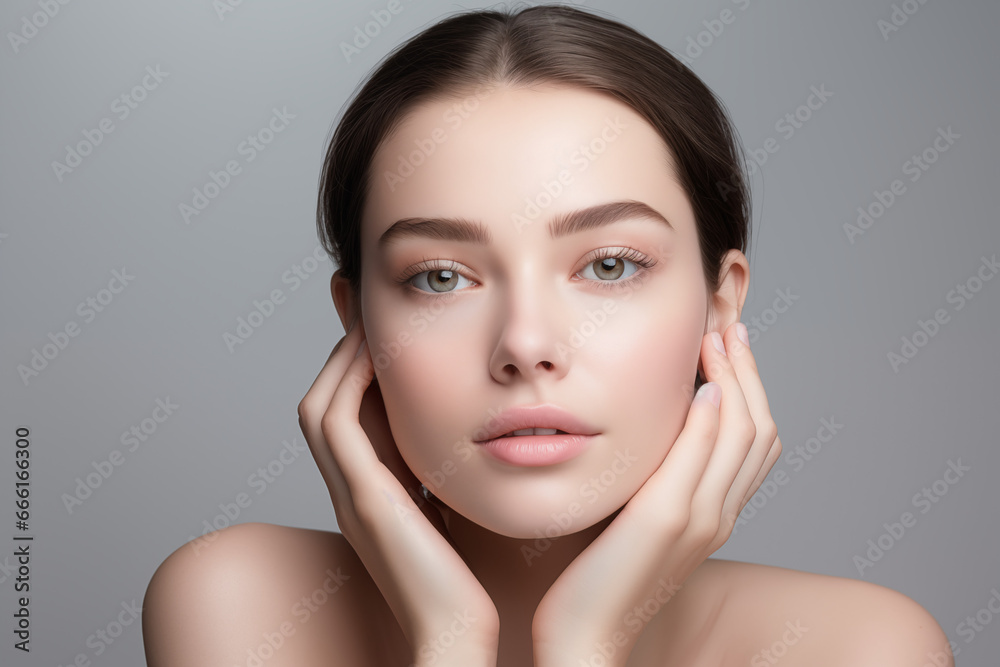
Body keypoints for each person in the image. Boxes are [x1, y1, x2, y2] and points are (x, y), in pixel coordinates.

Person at [142, 5, 953, 666]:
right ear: (358, 323)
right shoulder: (242, 604)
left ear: (719, 303)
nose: (526, 345)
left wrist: (583, 644)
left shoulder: (860, 648)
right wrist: (451, 643)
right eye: (440, 276)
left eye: (608, 265)